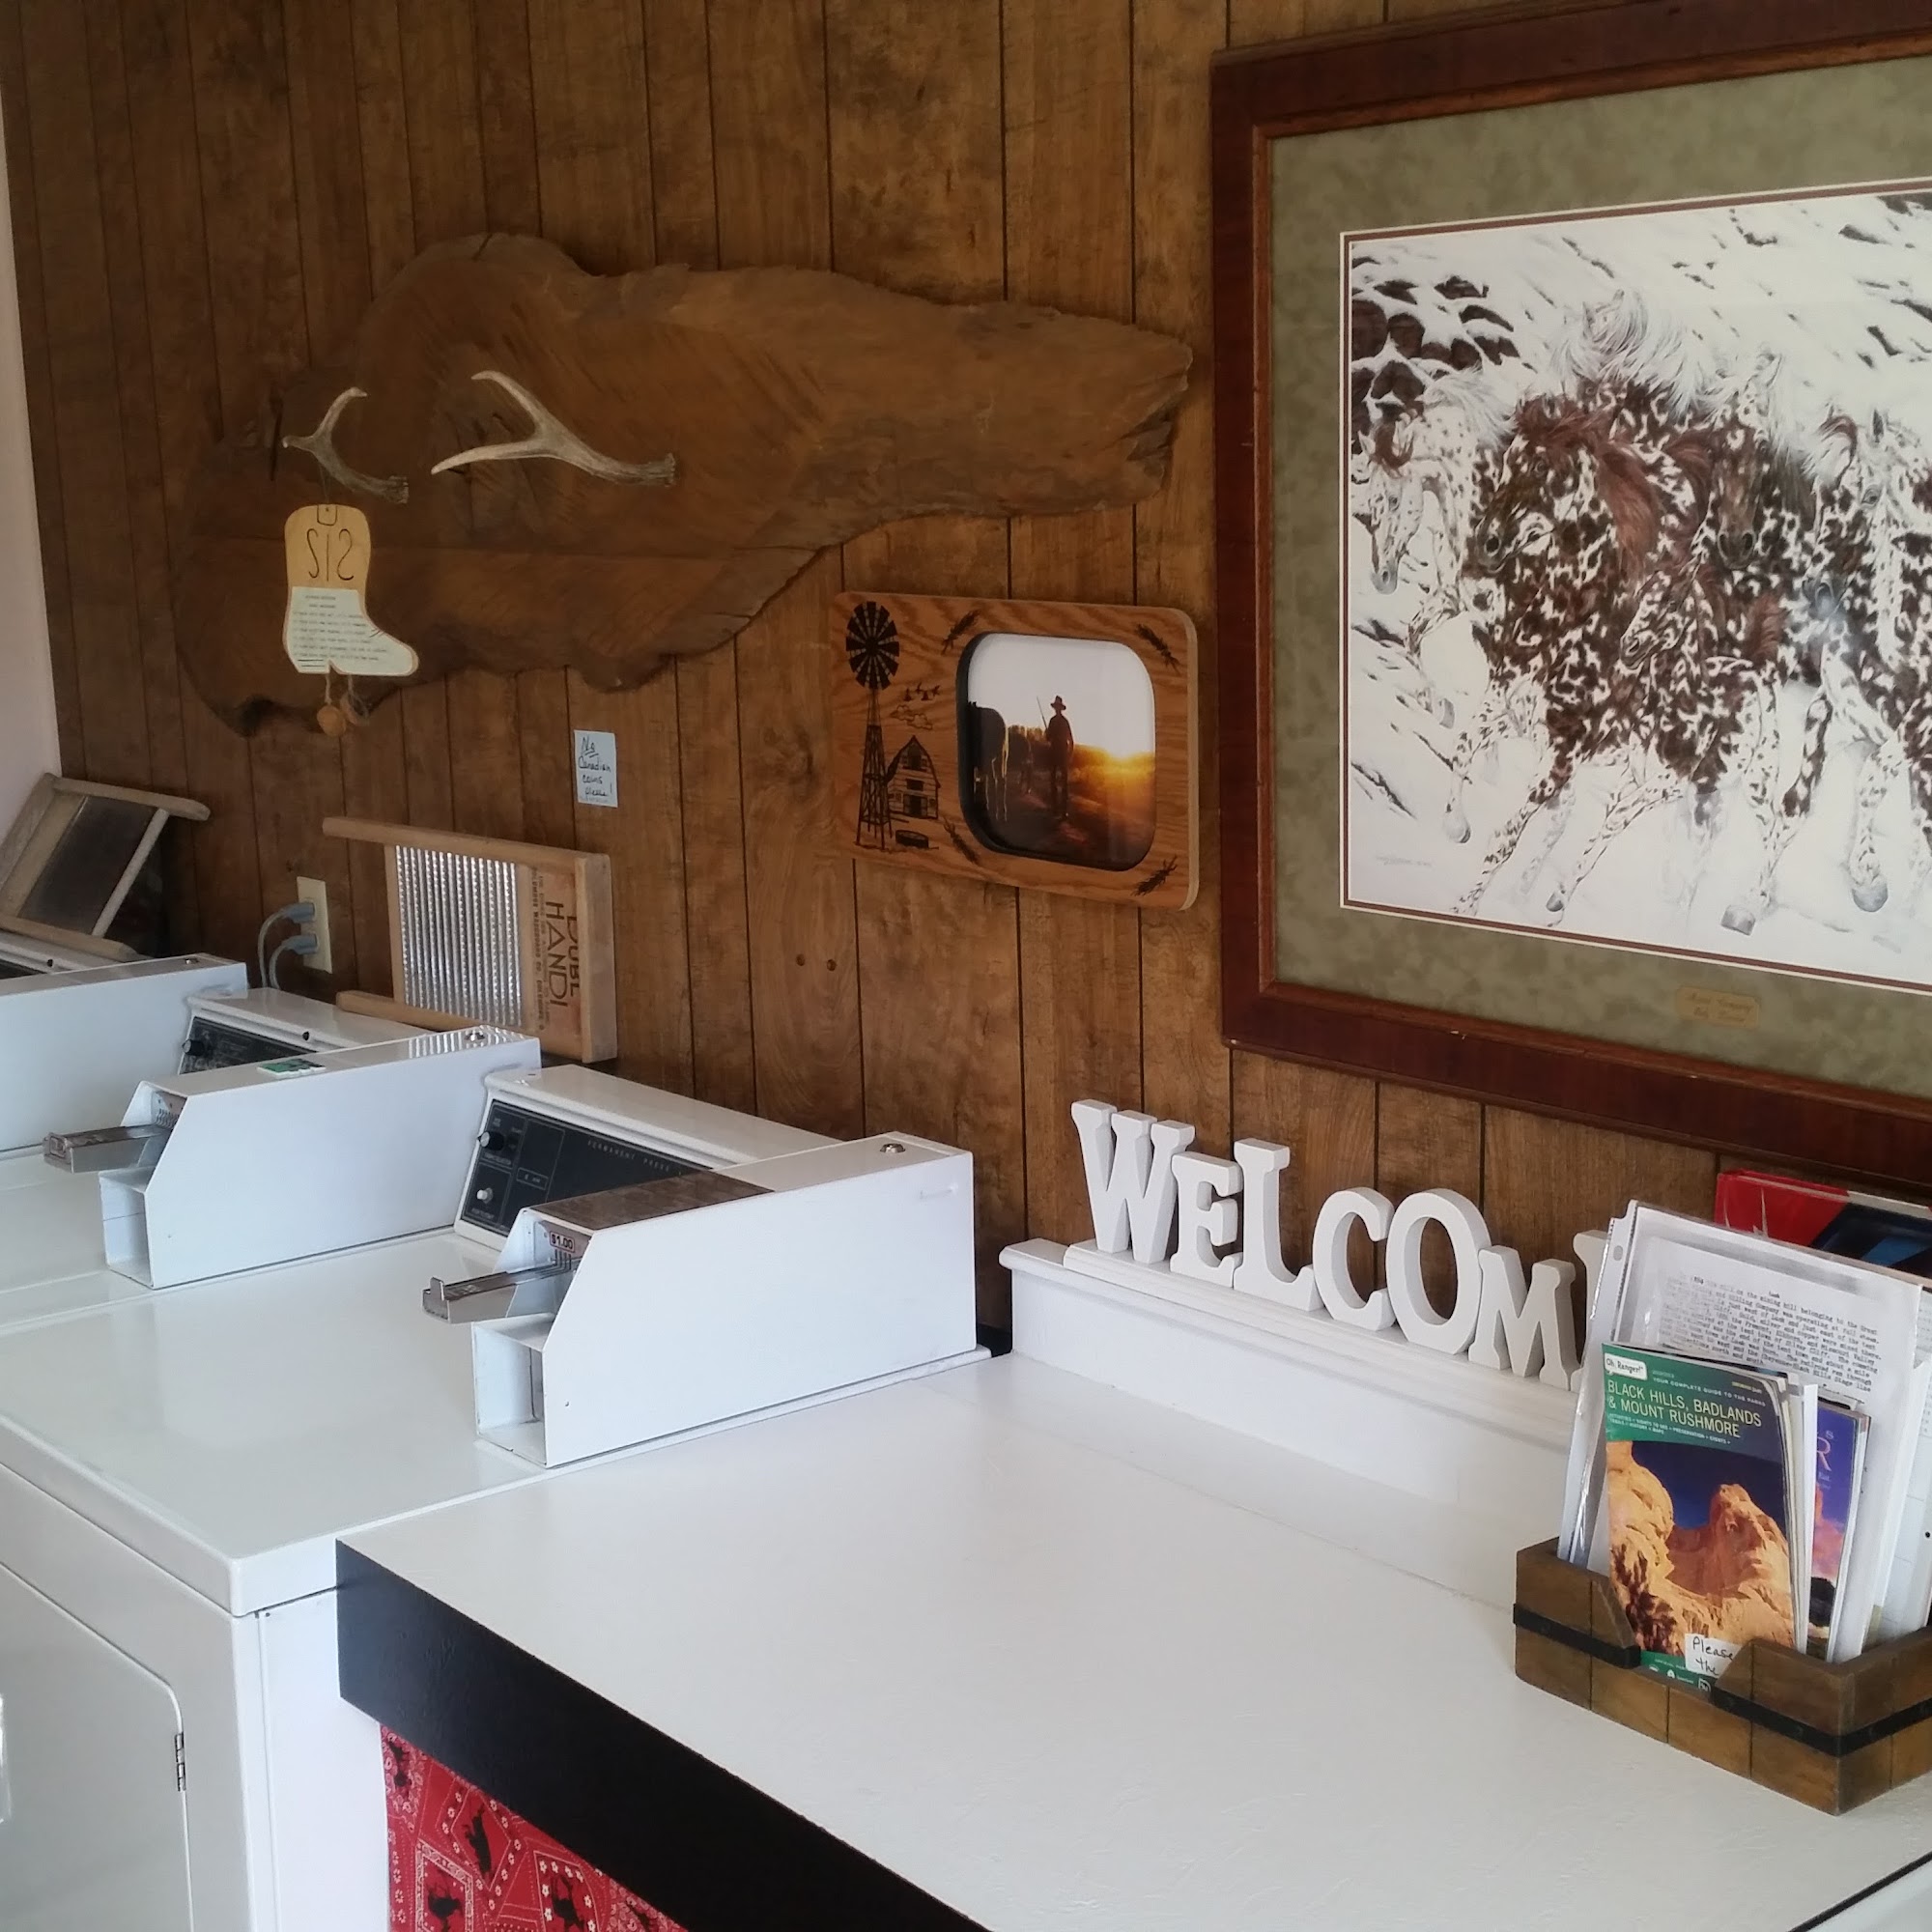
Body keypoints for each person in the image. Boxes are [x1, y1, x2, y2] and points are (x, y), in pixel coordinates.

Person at [1044, 695, 1074, 821]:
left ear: (1060, 708)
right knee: (1053, 782)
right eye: (1056, 707)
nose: (1057, 709)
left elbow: (1071, 739)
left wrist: (1070, 754)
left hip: (1062, 754)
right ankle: (1056, 809)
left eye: (1058, 707)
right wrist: (1047, 732)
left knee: (1064, 784)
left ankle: (1063, 810)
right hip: (1055, 754)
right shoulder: (1053, 721)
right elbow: (1048, 738)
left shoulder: (1063, 722)